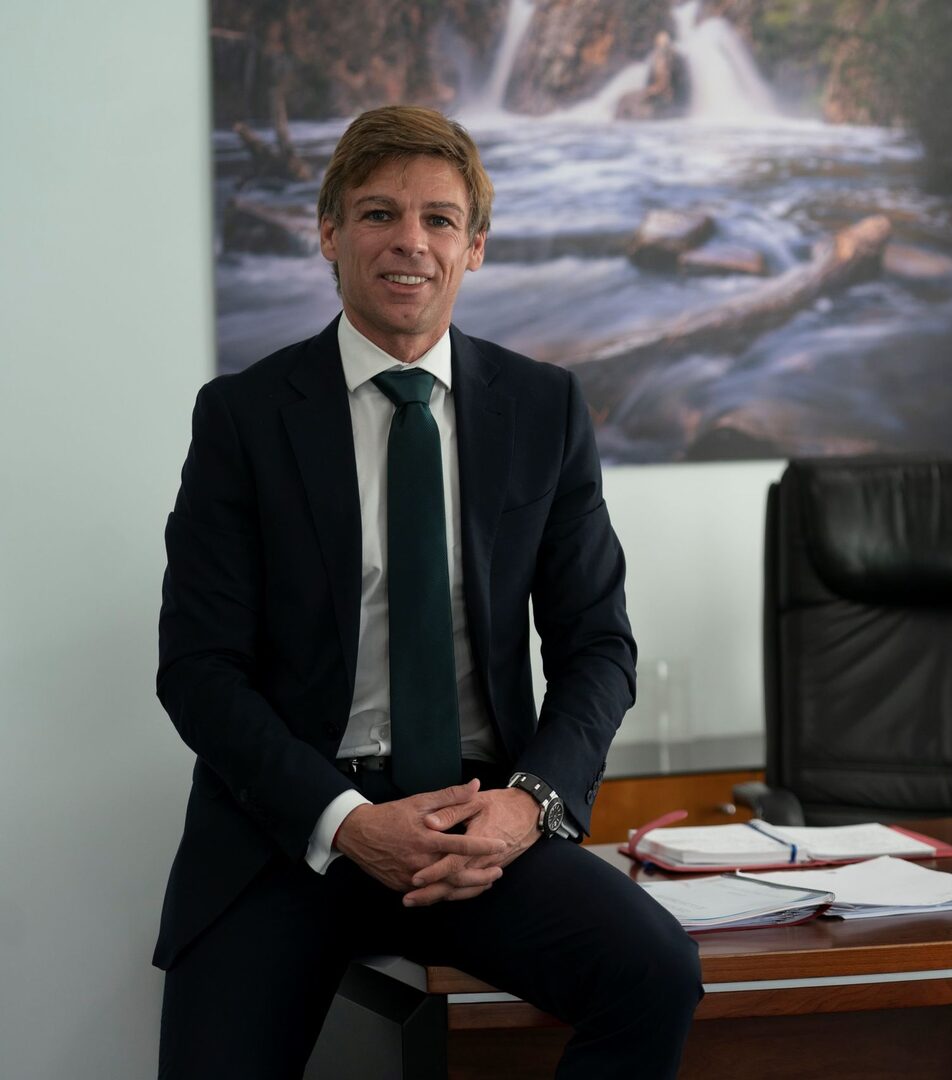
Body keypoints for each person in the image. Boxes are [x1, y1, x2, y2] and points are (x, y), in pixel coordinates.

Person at [154, 105, 702, 1078]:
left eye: (439, 219)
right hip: (293, 829)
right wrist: (346, 821)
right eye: (379, 214)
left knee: (655, 972)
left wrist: (528, 805)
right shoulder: (242, 416)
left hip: (475, 820)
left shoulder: (543, 408)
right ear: (329, 234)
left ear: (475, 247)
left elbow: (597, 647)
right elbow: (199, 671)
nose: (410, 241)